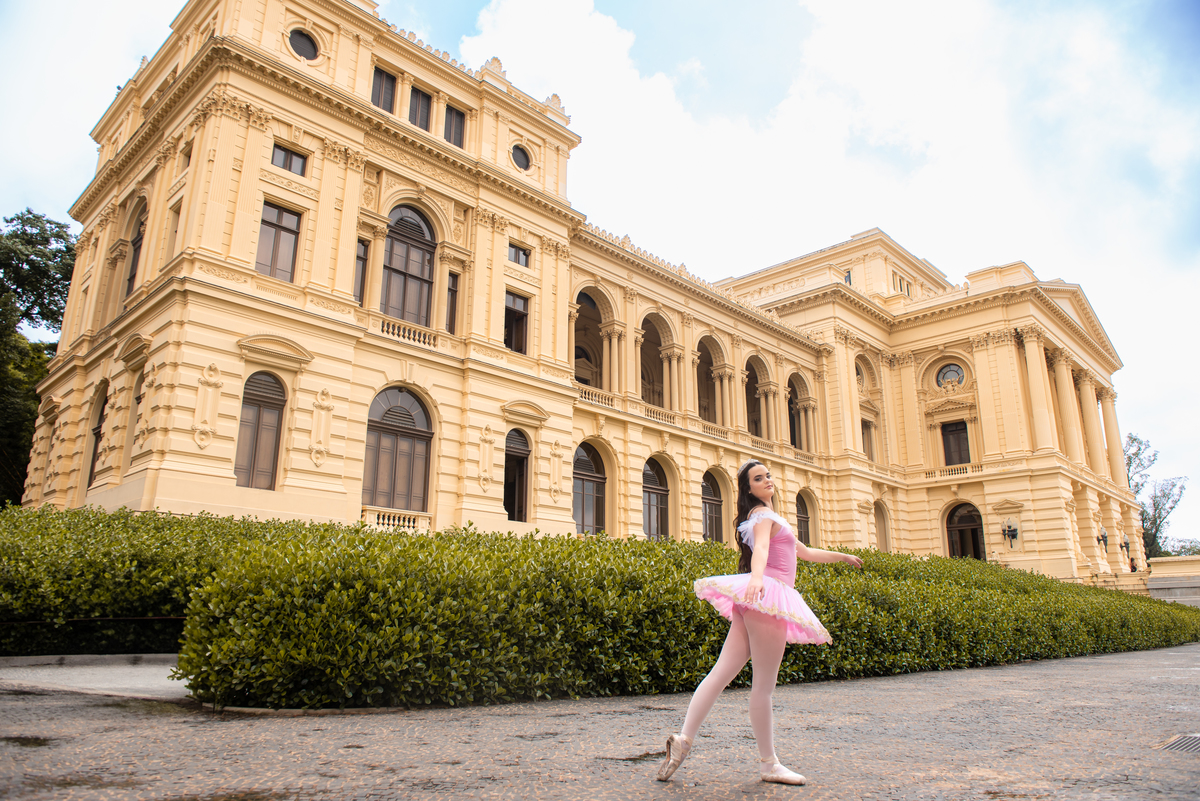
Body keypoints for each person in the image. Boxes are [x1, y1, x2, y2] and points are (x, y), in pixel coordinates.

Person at [656, 459, 863, 785]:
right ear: (748, 489)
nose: (767, 480)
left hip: (755, 600)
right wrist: (755, 578)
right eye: (758, 478)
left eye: (767, 475)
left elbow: (804, 551)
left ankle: (684, 740)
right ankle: (769, 764)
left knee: (721, 674)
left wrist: (843, 557)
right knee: (763, 687)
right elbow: (762, 550)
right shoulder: (764, 517)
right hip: (768, 597)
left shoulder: (765, 517)